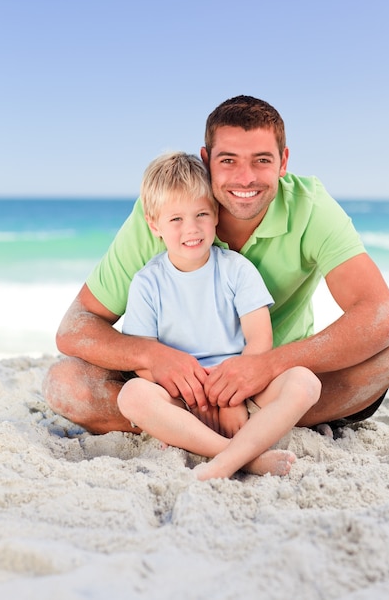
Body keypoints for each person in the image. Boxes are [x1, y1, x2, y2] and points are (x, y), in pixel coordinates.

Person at [43, 95, 389, 438]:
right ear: (206, 160)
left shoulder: (310, 207)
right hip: (177, 384)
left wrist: (265, 365)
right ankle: (231, 426)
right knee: (65, 382)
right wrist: (150, 355)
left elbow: (378, 315)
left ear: (283, 162)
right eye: (229, 160)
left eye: (262, 160)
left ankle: (216, 423)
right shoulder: (169, 211)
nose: (245, 178)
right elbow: (76, 327)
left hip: (276, 377)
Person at [116, 151, 320, 479]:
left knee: (305, 383)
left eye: (200, 214)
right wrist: (196, 398)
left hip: (242, 388)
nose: (191, 229)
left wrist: (229, 398)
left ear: (215, 215)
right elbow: (144, 362)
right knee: (133, 395)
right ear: (155, 225)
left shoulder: (236, 269)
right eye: (176, 219)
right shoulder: (147, 282)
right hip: (182, 399)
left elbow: (259, 339)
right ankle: (238, 457)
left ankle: (221, 454)